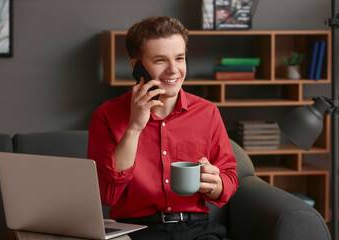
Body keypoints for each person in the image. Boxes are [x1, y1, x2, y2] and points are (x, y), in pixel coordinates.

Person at [87, 16, 238, 240]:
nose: (173, 70)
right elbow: (107, 195)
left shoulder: (207, 112)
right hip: (136, 231)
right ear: (137, 66)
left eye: (179, 58)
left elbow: (229, 179)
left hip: (197, 230)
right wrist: (134, 127)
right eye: (160, 60)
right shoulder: (106, 116)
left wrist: (213, 184)